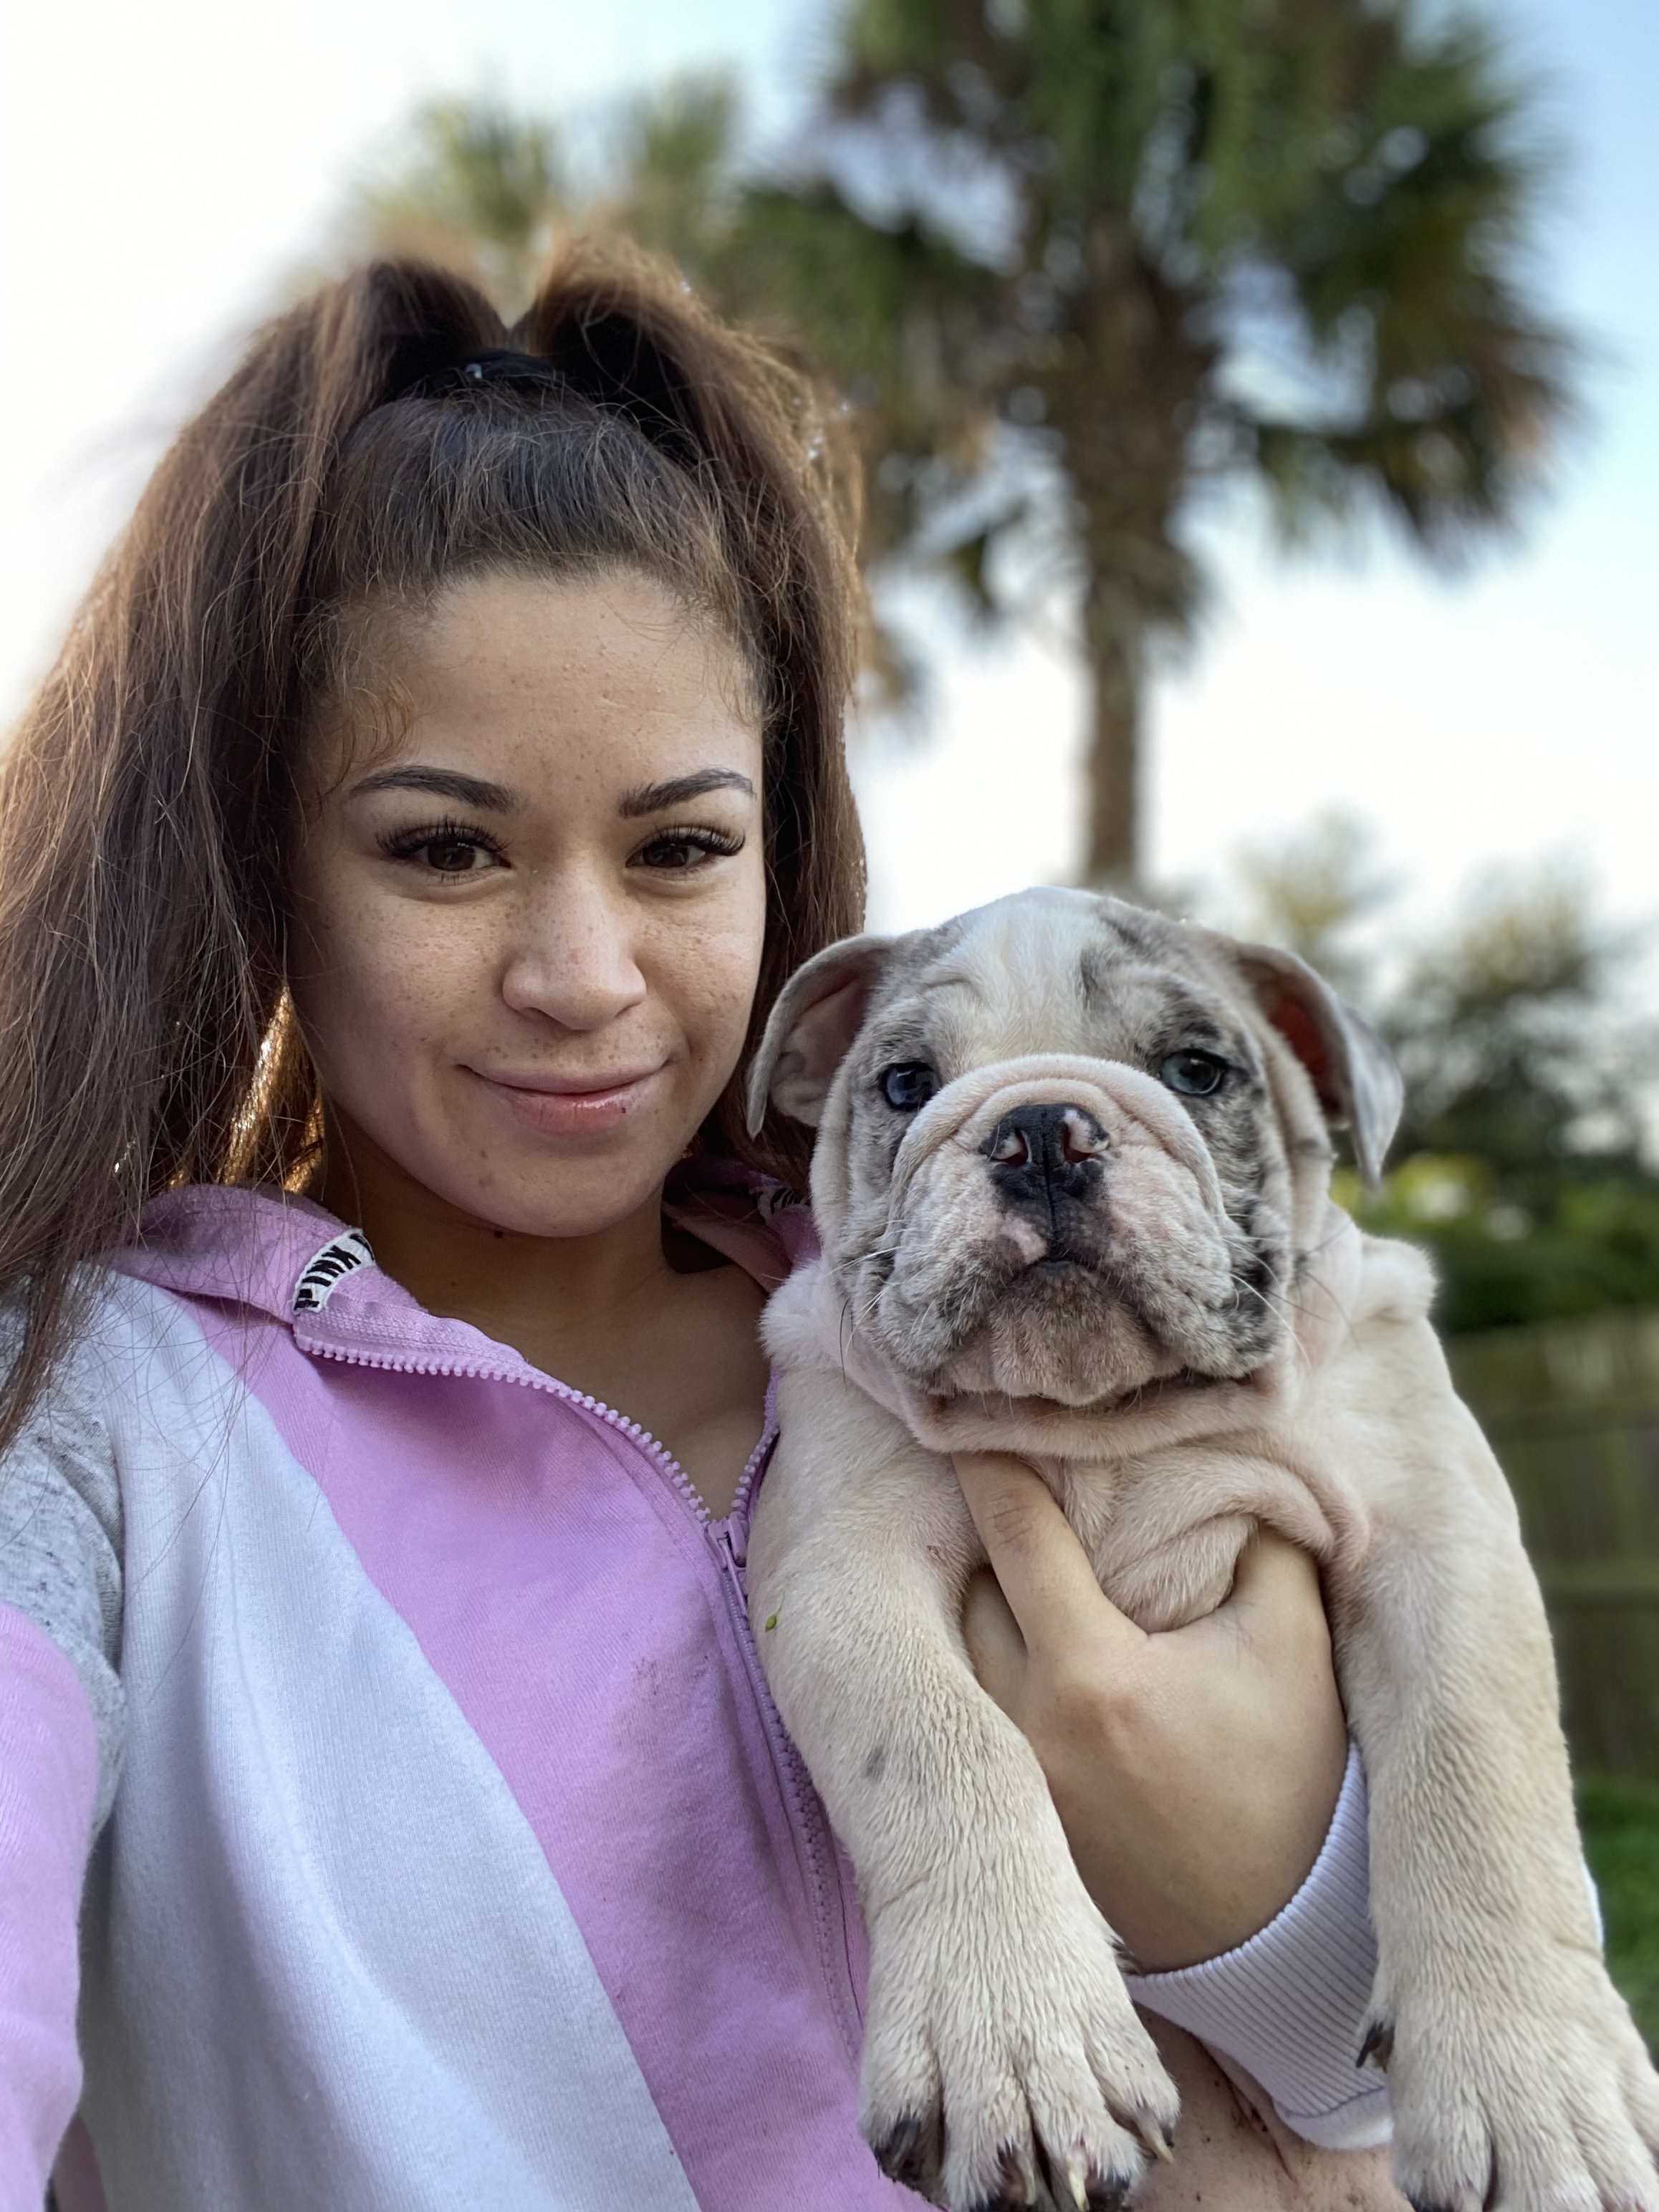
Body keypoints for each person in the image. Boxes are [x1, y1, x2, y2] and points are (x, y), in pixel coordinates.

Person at [0, 243, 1401, 2212]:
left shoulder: (1008, 1312)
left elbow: (1386, 2078)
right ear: (263, 858)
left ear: (777, 836)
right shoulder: (90, 1422)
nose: (582, 974)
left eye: (678, 848)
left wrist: (1257, 1900)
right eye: (443, 848)